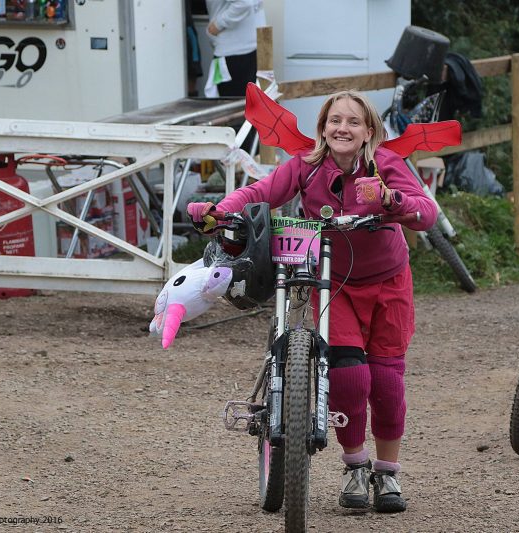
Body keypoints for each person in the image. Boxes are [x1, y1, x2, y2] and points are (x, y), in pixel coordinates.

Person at [187, 90, 438, 513]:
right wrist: (219, 210)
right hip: (333, 282)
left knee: (388, 384)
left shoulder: (386, 166)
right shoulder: (305, 166)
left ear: (368, 132)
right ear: (323, 128)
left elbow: (426, 212)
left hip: (389, 283)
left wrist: (391, 201)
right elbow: (259, 194)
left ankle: (388, 472)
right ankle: (355, 466)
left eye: (353, 122)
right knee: (349, 379)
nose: (343, 128)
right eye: (334, 120)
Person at [204, 0, 266, 97]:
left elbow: (245, 3)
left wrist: (217, 25)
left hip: (232, 52)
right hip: (253, 46)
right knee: (248, 104)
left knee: (231, 106)